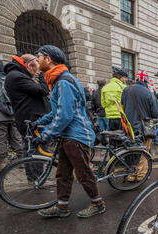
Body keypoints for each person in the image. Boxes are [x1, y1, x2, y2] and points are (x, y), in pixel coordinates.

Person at [32, 45, 105, 219]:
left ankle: (98, 204)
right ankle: (62, 208)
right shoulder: (58, 80)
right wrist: (39, 122)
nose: (37, 60)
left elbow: (65, 115)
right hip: (68, 136)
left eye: (39, 57)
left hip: (77, 136)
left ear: (48, 59)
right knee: (63, 174)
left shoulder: (64, 82)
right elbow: (57, 111)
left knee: (83, 173)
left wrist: (46, 135)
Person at [3, 54, 51, 180]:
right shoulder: (17, 76)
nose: (37, 69)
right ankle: (37, 178)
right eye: (36, 65)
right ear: (29, 64)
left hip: (28, 118)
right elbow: (43, 90)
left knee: (30, 147)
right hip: (31, 119)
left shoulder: (16, 75)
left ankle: (33, 177)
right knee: (36, 148)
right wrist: (42, 75)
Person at [122, 69, 158, 153]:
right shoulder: (149, 93)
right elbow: (155, 113)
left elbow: (122, 106)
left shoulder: (126, 90)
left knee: (129, 151)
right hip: (143, 129)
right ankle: (141, 166)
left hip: (128, 127)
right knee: (143, 154)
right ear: (146, 81)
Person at [0, 58, 23, 171]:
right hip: (14, 114)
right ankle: (22, 161)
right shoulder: (10, 78)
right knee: (16, 138)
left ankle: (2, 164)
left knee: (0, 139)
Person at [102, 66, 128, 131]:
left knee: (111, 136)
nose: (126, 79)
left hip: (109, 117)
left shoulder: (105, 87)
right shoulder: (124, 87)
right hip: (121, 116)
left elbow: (103, 104)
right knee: (122, 137)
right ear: (120, 77)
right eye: (125, 77)